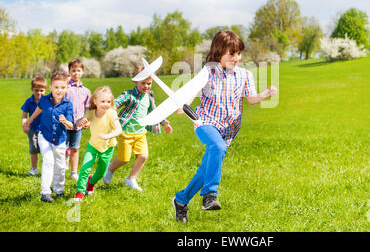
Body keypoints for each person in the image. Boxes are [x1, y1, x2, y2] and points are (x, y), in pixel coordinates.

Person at [172, 30, 277, 223]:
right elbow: (193, 91)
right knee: (216, 147)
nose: (236, 58)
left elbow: (251, 99)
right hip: (206, 122)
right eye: (231, 54)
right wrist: (181, 105)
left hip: (228, 130)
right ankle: (210, 196)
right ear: (218, 53)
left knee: (206, 170)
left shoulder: (244, 75)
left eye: (239, 53)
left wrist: (265, 94)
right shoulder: (208, 71)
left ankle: (181, 200)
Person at [102, 66, 173, 192]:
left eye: (149, 83)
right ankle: (110, 169)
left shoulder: (150, 96)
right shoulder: (129, 95)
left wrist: (164, 123)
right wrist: (109, 108)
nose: (146, 86)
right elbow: (116, 103)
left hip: (140, 133)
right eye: (143, 83)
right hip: (125, 133)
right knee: (124, 159)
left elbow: (154, 112)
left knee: (143, 156)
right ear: (136, 81)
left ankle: (131, 179)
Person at [24, 71, 74, 203]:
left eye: (62, 87)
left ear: (67, 88)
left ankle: (58, 189)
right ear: (51, 87)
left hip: (60, 139)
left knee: (60, 166)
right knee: (48, 161)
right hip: (44, 136)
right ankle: (45, 192)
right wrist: (30, 120)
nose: (59, 90)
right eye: (56, 87)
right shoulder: (44, 100)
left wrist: (66, 122)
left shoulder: (67, 104)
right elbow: (38, 109)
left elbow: (70, 125)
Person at [74, 86, 122, 201]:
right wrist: (83, 123)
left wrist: (107, 136)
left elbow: (119, 129)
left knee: (100, 173)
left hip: (107, 148)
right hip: (93, 146)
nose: (106, 104)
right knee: (85, 167)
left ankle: (91, 182)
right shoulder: (90, 112)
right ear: (95, 101)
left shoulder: (111, 113)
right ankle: (80, 192)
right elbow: (79, 124)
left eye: (108, 102)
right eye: (103, 101)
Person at [65, 59, 92, 182]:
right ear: (69, 72)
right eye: (73, 70)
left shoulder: (86, 91)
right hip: (64, 125)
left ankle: (74, 171)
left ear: (82, 72)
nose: (76, 73)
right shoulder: (65, 88)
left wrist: (87, 121)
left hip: (78, 126)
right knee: (62, 148)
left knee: (75, 148)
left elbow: (88, 108)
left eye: (78, 71)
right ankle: (61, 167)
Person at [21, 76, 47, 176]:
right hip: (32, 130)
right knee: (33, 150)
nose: (39, 93)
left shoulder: (47, 101)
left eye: (42, 90)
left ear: (45, 90)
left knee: (46, 150)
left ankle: (46, 169)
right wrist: (24, 125)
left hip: (45, 130)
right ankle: (34, 169)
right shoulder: (29, 101)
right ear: (32, 89)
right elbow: (24, 115)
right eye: (36, 90)